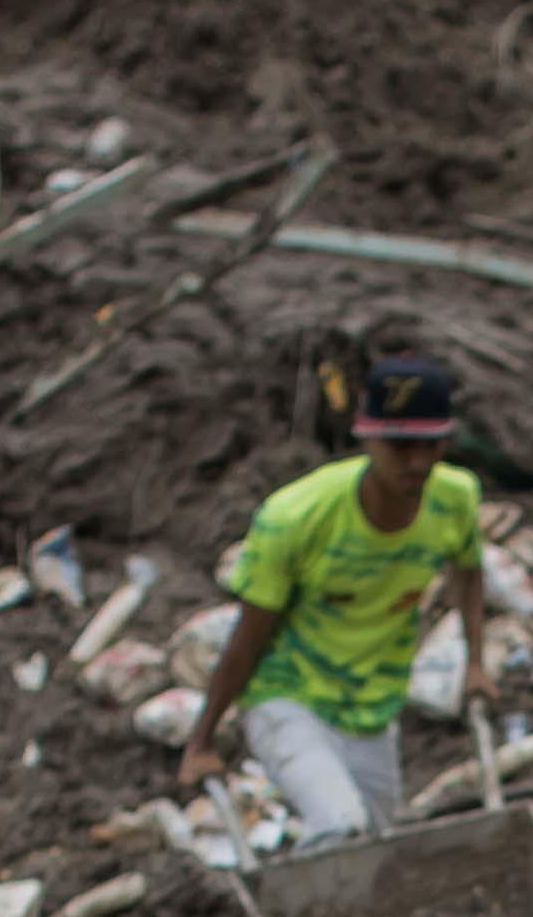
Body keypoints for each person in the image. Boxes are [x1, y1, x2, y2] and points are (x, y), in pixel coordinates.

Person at [177, 353, 490, 846]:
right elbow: (249, 633)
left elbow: (470, 575)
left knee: (380, 848)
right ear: (366, 438)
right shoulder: (296, 518)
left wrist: (477, 662)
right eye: (400, 446)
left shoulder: (454, 499)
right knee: (340, 828)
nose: (418, 463)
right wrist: (203, 738)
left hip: (374, 705)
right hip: (289, 695)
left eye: (431, 446)